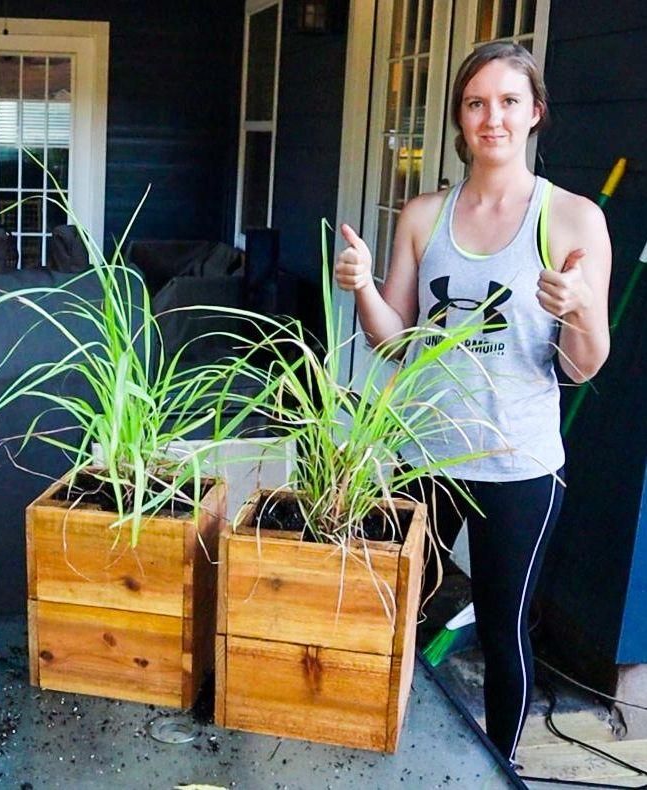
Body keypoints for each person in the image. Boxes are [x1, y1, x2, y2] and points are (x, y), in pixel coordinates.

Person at [335, 42, 611, 763]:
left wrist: (579, 308)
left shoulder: (573, 219)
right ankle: (377, 750)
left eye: (508, 102)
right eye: (476, 103)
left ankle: (499, 766)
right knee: (395, 606)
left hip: (518, 462)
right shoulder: (423, 215)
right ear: (459, 118)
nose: (493, 118)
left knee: (500, 627)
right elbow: (395, 340)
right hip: (426, 454)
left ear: (534, 112)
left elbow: (582, 366)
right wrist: (362, 285)